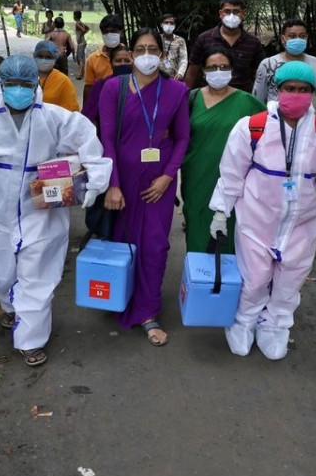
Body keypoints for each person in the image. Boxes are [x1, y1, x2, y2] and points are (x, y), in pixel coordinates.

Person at [0, 55, 112, 366]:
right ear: (1, 85)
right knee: (2, 270)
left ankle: (30, 339)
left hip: (42, 210)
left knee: (37, 275)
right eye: (12, 85)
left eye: (25, 85)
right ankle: (10, 306)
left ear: (36, 86)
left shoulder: (55, 118)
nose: (19, 91)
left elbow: (88, 141)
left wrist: (95, 181)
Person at [208, 60, 316, 360]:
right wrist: (221, 212)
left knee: (291, 278)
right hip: (257, 217)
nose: (296, 95)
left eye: (303, 90)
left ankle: (275, 326)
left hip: (302, 221)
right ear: (278, 90)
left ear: (312, 93)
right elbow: (231, 172)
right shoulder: (252, 126)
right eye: (289, 89)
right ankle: (243, 321)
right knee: (255, 277)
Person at [99, 28, 190, 346]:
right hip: (122, 177)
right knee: (122, 240)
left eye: (153, 49)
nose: (147, 54)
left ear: (163, 55)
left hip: (159, 184)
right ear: (132, 53)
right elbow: (106, 139)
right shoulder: (114, 88)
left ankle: (148, 311)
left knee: (154, 246)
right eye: (140, 49)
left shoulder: (176, 91)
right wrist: (112, 184)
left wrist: (168, 177)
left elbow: (182, 138)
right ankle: (120, 296)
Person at [181, 47, 265, 254]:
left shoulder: (248, 103)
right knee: (197, 224)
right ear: (203, 71)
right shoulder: (189, 99)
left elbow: (269, 139)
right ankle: (197, 279)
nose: (218, 71)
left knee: (230, 227)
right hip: (196, 176)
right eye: (212, 67)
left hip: (234, 180)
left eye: (223, 67)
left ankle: (227, 280)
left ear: (232, 70)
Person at [185, 0, 265, 93]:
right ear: (220, 13)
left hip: (241, 97)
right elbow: (192, 72)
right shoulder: (204, 38)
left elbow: (259, 74)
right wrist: (184, 96)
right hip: (210, 96)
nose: (231, 15)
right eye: (227, 11)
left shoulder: (253, 42)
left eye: (236, 12)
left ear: (243, 14)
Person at [252, 17, 316, 115]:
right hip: (274, 121)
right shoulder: (267, 64)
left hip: (306, 122)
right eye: (292, 36)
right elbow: (257, 99)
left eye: (302, 36)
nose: (298, 40)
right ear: (283, 39)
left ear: (306, 38)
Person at [80, 43, 133, 133]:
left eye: (127, 61)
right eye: (118, 61)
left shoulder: (141, 84)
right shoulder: (101, 85)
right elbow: (87, 117)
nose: (122, 64)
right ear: (111, 63)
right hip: (106, 137)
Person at [84, 14, 124, 101]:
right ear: (102, 33)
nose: (110, 34)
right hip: (102, 102)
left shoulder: (129, 56)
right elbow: (89, 87)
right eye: (106, 32)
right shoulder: (93, 59)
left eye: (113, 31)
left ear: (120, 32)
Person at [33, 40, 80, 111]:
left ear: (55, 58)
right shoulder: (25, 76)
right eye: (40, 56)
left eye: (48, 57)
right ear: (34, 56)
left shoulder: (63, 81)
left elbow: (72, 111)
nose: (44, 60)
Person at [159, 13, 188, 80]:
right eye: (166, 22)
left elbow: (183, 58)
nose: (169, 25)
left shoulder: (180, 40)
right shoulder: (156, 39)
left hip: (174, 77)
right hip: (158, 76)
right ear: (161, 24)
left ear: (174, 25)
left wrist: (180, 73)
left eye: (171, 23)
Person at [74, 10, 90, 81]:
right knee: (81, 57)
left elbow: (83, 30)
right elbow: (87, 28)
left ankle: (80, 74)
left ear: (75, 16)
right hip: (82, 42)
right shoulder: (81, 23)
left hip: (81, 42)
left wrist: (80, 37)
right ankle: (83, 73)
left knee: (79, 58)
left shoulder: (77, 23)